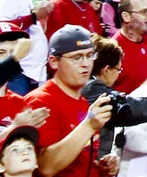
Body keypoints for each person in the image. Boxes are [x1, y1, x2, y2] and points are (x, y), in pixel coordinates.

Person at [23, 25, 116, 177]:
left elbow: (79, 161)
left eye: (89, 55)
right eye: (77, 57)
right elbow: (45, 167)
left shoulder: (82, 101)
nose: (85, 63)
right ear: (53, 62)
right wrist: (88, 126)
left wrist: (102, 168)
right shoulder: (40, 102)